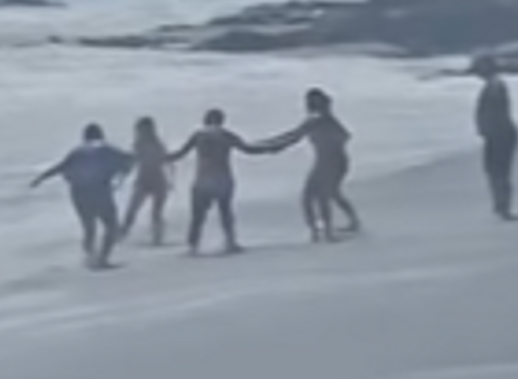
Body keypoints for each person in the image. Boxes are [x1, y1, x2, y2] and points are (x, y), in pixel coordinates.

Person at [169, 108, 275, 255]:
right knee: (225, 212)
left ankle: (193, 246)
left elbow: (179, 154)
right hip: (223, 179)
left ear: (205, 120)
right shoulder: (226, 135)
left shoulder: (198, 136)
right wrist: (270, 149)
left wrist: (157, 158)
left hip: (202, 180)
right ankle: (230, 242)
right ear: (221, 121)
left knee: (198, 216)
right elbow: (249, 149)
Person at [30, 123, 135, 270]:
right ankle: (102, 259)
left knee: (89, 228)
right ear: (101, 135)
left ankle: (89, 258)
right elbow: (130, 159)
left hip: (79, 194)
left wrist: (40, 179)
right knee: (111, 227)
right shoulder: (106, 148)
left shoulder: (76, 152)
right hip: (99, 191)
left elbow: (59, 168)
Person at [264, 89, 362, 243]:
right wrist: (270, 143)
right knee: (330, 193)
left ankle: (325, 232)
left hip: (330, 162)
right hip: (333, 160)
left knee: (316, 196)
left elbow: (294, 136)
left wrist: (272, 146)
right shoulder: (326, 118)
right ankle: (347, 224)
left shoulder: (318, 119)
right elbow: (344, 136)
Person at [474, 56, 518, 220]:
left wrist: (489, 130)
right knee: (495, 170)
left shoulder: (495, 86)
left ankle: (503, 205)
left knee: (498, 171)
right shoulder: (494, 85)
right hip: (498, 134)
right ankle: (500, 204)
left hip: (500, 134)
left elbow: (497, 113)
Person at [120, 116, 173, 246]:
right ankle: (121, 235)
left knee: (156, 212)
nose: (139, 132)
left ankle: (157, 237)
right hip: (143, 181)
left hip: (157, 181)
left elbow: (166, 162)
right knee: (132, 210)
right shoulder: (138, 144)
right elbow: (132, 163)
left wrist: (171, 179)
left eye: (141, 129)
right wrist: (121, 177)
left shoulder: (156, 144)